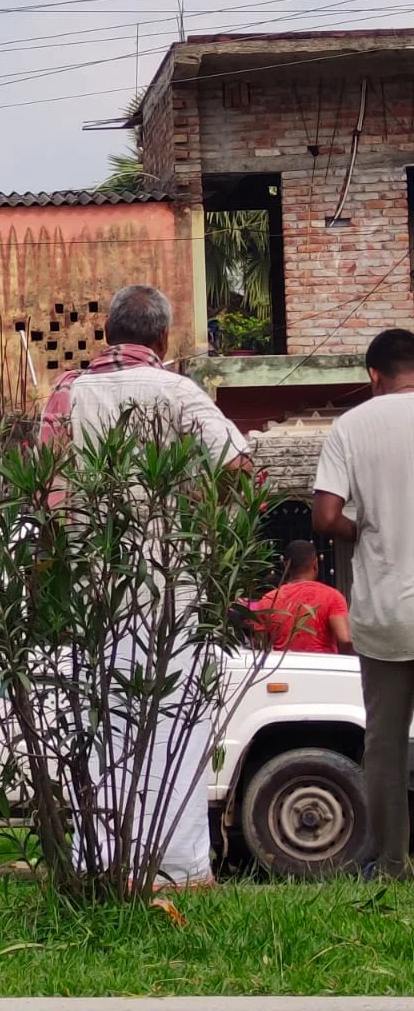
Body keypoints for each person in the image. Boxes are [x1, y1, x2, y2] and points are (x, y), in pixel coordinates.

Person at [39, 284, 250, 890]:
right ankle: (179, 867)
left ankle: (100, 860)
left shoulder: (66, 394)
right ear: (161, 339)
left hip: (93, 594)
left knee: (104, 727)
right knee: (174, 728)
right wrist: (204, 527)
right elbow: (238, 469)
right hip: (169, 590)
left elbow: (47, 497)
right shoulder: (180, 392)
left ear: (107, 335)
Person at [314, 327, 414, 878]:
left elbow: (325, 519)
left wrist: (367, 526)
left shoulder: (351, 426)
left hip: (385, 615)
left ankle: (393, 863)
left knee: (385, 745)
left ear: (373, 375)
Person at [255, 540, 351, 654]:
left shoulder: (268, 600)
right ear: (315, 563)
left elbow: (259, 646)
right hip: (324, 667)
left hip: (282, 669)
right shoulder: (332, 596)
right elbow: (345, 639)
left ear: (285, 565)